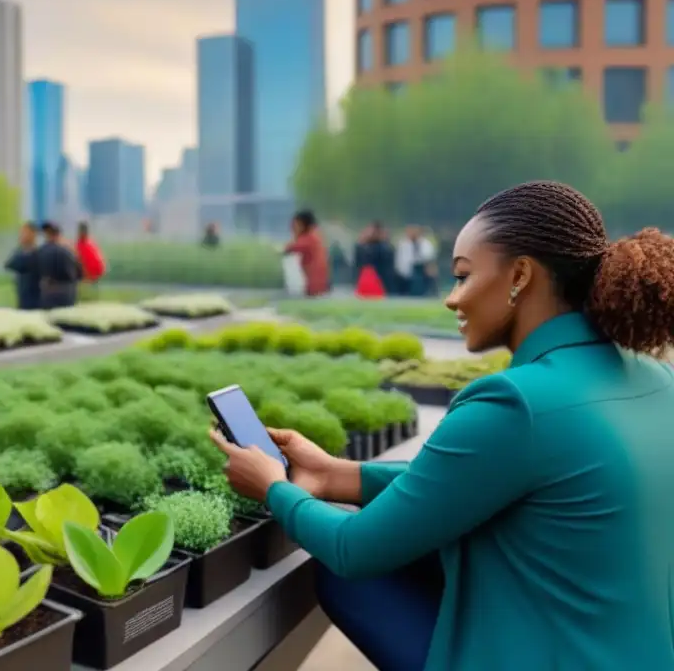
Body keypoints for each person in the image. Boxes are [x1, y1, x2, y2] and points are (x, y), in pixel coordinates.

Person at [212, 180, 674, 671]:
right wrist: (335, 475)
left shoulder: (516, 403)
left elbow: (354, 551)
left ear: (520, 275)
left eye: (463, 276)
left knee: (345, 571)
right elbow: (478, 477)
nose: (452, 300)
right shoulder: (657, 376)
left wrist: (276, 489)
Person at [284, 210, 329, 297]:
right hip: (318, 284)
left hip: (313, 285)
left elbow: (289, 248)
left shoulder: (309, 238)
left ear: (302, 224)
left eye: (295, 225)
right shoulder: (316, 236)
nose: (292, 229)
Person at [37, 221, 82, 308]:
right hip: (67, 292)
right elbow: (79, 273)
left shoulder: (41, 251)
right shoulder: (69, 250)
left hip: (49, 292)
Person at [4, 221, 41, 310]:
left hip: (36, 294)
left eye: (25, 232)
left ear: (33, 234)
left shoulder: (39, 252)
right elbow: (9, 264)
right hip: (22, 293)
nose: (22, 235)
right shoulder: (20, 251)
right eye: (21, 233)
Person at [395, 225, 437, 296]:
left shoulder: (425, 243)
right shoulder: (403, 244)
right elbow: (399, 261)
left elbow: (429, 258)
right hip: (405, 272)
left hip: (421, 271)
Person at [75, 221, 106, 287]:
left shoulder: (86, 244)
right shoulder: (88, 243)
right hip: (90, 277)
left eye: (82, 231)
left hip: (90, 277)